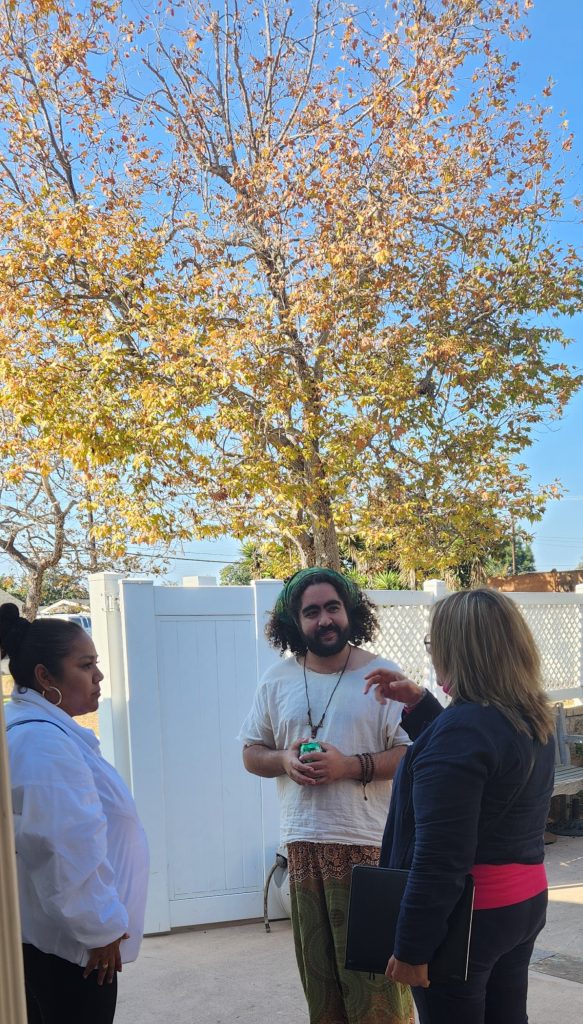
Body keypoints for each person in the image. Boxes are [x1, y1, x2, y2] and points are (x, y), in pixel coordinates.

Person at [364, 587, 556, 1024]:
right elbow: (484, 761)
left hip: (470, 917)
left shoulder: (464, 732)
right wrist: (423, 706)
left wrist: (412, 948)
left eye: (434, 644)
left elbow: (440, 856)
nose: (432, 655)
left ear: (456, 650)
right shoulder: (529, 715)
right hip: (522, 904)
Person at [239, 567, 414, 1024]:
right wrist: (284, 761)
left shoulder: (382, 674)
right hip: (303, 848)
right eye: (311, 611)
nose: (324, 620)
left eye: (332, 607)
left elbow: (411, 753)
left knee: (379, 987)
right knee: (323, 989)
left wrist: (348, 767)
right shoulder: (275, 680)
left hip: (370, 847)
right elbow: (251, 752)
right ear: (294, 622)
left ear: (350, 612)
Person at [1, 603, 149, 1024]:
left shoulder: (43, 732)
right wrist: (99, 929)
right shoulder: (43, 745)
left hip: (60, 942)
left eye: (97, 664)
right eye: (86, 666)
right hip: (73, 951)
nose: (99, 677)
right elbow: (62, 846)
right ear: (45, 677)